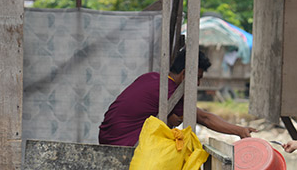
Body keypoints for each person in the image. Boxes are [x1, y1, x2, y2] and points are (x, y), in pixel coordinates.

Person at [98, 48, 255, 146]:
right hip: (123, 144)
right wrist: (240, 131)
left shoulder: (151, 77)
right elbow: (204, 118)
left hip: (106, 137)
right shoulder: (171, 91)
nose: (198, 84)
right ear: (185, 73)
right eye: (197, 78)